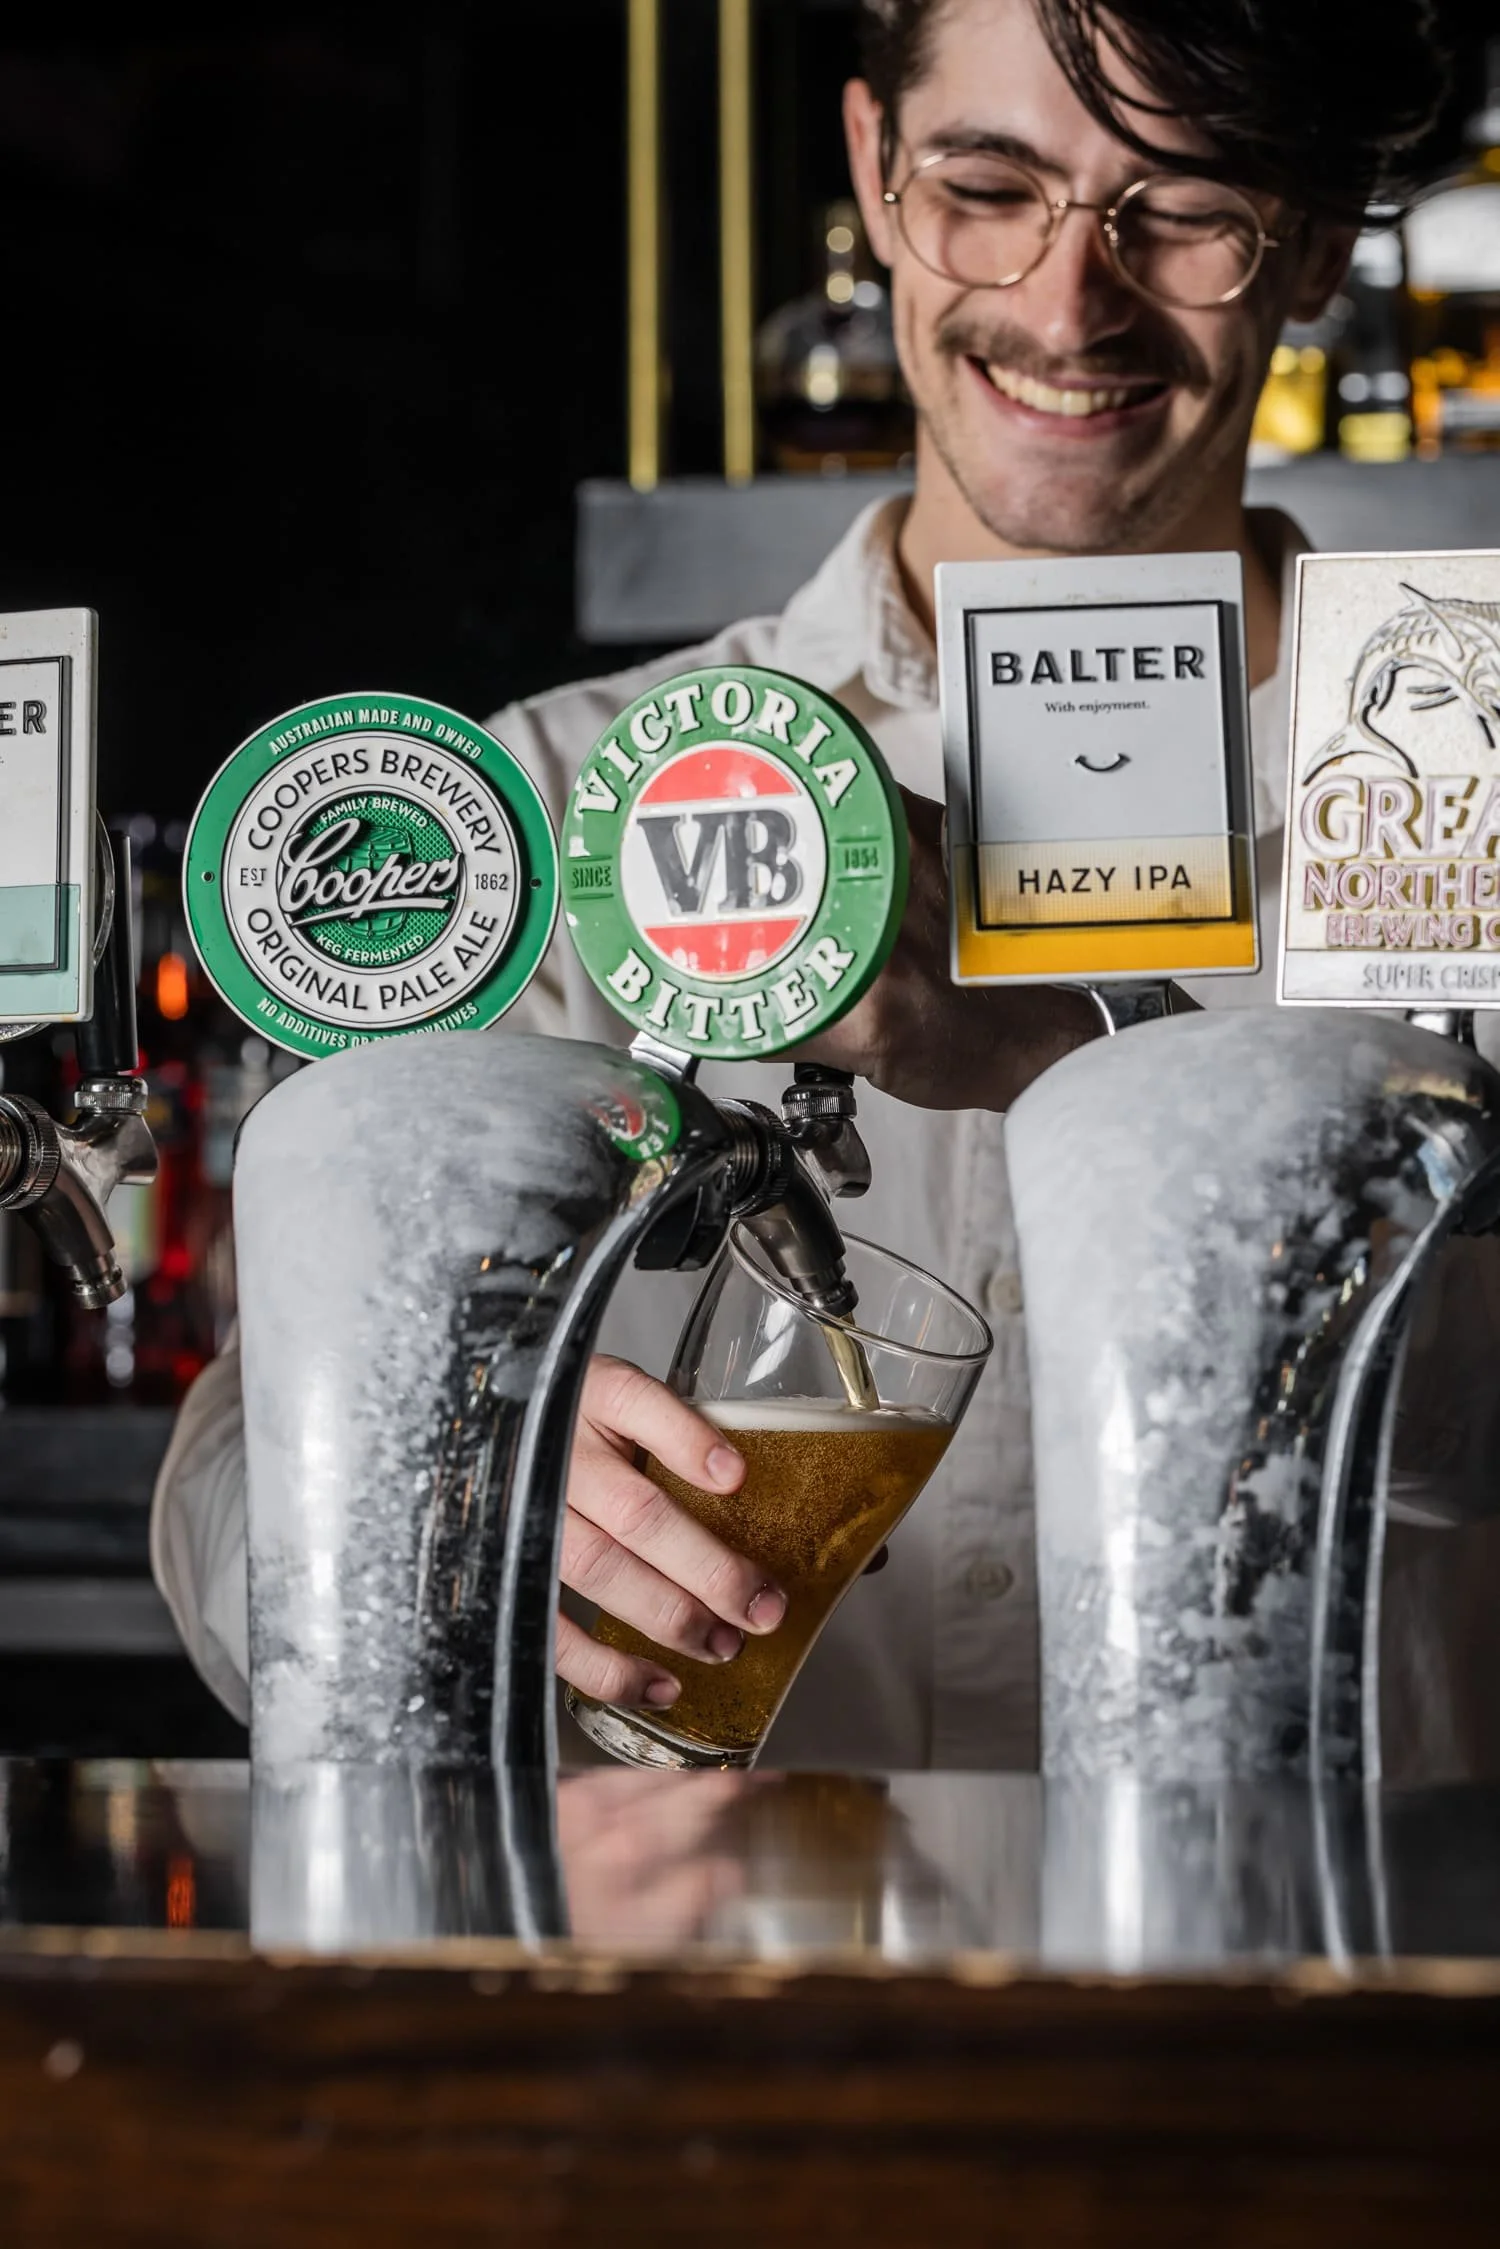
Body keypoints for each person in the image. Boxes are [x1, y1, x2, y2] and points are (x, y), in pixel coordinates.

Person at [156, 0, 1491, 1773]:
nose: (1064, 305)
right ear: (872, 170)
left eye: (1181, 211)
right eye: (987, 184)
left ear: (1318, 240)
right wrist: (423, 1520)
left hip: (1295, 2021)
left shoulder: (1454, 767)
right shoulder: (542, 802)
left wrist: (1084, 1045)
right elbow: (240, 1469)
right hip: (708, 2013)